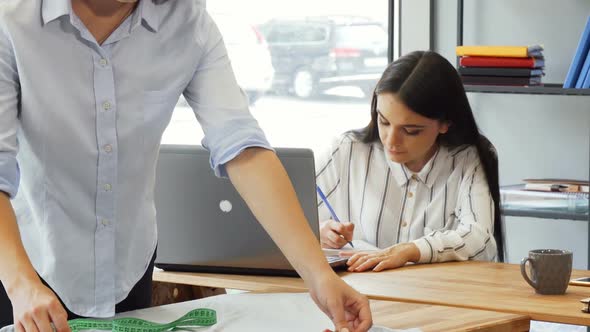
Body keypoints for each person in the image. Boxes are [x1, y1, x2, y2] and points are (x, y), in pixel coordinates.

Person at [0, 1, 372, 331]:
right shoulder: (12, 18)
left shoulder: (188, 21)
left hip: (126, 267)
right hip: (20, 268)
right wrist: (21, 284)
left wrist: (319, 275)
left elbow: (242, 146)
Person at [316, 50, 503, 272]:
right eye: (383, 122)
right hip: (359, 295)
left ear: (445, 123)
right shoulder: (346, 150)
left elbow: (479, 239)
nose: (391, 140)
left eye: (410, 130)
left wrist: (410, 250)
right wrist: (319, 231)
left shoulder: (468, 158)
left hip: (440, 298)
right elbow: (284, 222)